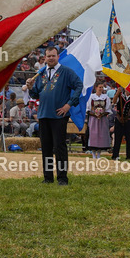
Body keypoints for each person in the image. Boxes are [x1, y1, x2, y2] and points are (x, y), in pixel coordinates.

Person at [25, 46, 83, 184]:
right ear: (44, 57)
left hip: (59, 115)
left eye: (53, 55)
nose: (50, 58)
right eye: (48, 56)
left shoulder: (67, 72)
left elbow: (79, 86)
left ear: (58, 57)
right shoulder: (41, 73)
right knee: (46, 147)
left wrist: (69, 104)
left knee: (60, 147)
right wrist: (30, 87)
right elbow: (36, 94)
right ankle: (48, 178)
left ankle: (62, 178)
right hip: (43, 114)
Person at [112, 83, 130, 160]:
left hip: (129, 120)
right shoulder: (120, 96)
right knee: (118, 138)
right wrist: (117, 93)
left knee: (129, 139)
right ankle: (115, 155)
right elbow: (113, 102)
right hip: (119, 120)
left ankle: (129, 156)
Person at [86, 81, 112, 158]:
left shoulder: (105, 97)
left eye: (102, 87)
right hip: (93, 119)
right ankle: (93, 153)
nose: (101, 89)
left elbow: (108, 109)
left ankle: (99, 153)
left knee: (101, 135)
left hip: (102, 119)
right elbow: (88, 109)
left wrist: (102, 114)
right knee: (94, 135)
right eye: (99, 87)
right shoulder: (91, 97)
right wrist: (95, 114)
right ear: (96, 88)